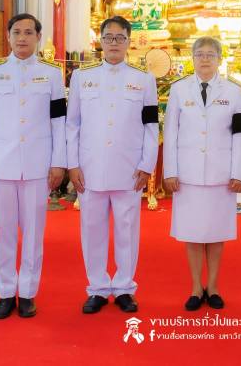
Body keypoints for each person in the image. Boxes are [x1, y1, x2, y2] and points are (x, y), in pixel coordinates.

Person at [0, 13, 67, 319]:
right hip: (0, 166)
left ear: (38, 37)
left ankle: (27, 293)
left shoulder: (52, 75)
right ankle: (4, 292)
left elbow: (59, 122)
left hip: (38, 167)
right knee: (2, 232)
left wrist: (59, 162)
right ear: (9, 37)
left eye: (28, 32)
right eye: (16, 32)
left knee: (34, 233)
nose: (22, 38)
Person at [67, 16, 159, 315]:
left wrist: (147, 165)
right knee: (92, 230)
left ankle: (123, 287)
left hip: (129, 168)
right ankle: (96, 288)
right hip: (90, 168)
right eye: (109, 37)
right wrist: (72, 164)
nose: (114, 43)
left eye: (120, 38)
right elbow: (73, 124)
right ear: (101, 42)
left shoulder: (144, 79)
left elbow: (150, 126)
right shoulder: (83, 77)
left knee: (127, 230)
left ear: (129, 41)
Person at [162, 36, 241, 311]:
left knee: (215, 233)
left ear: (220, 59)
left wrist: (238, 172)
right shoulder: (179, 90)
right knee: (192, 234)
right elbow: (171, 132)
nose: (206, 59)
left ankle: (213, 286)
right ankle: (196, 288)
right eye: (200, 54)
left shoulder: (233, 92)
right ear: (193, 58)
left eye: (211, 54)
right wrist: (170, 171)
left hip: (220, 174)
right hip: (187, 174)